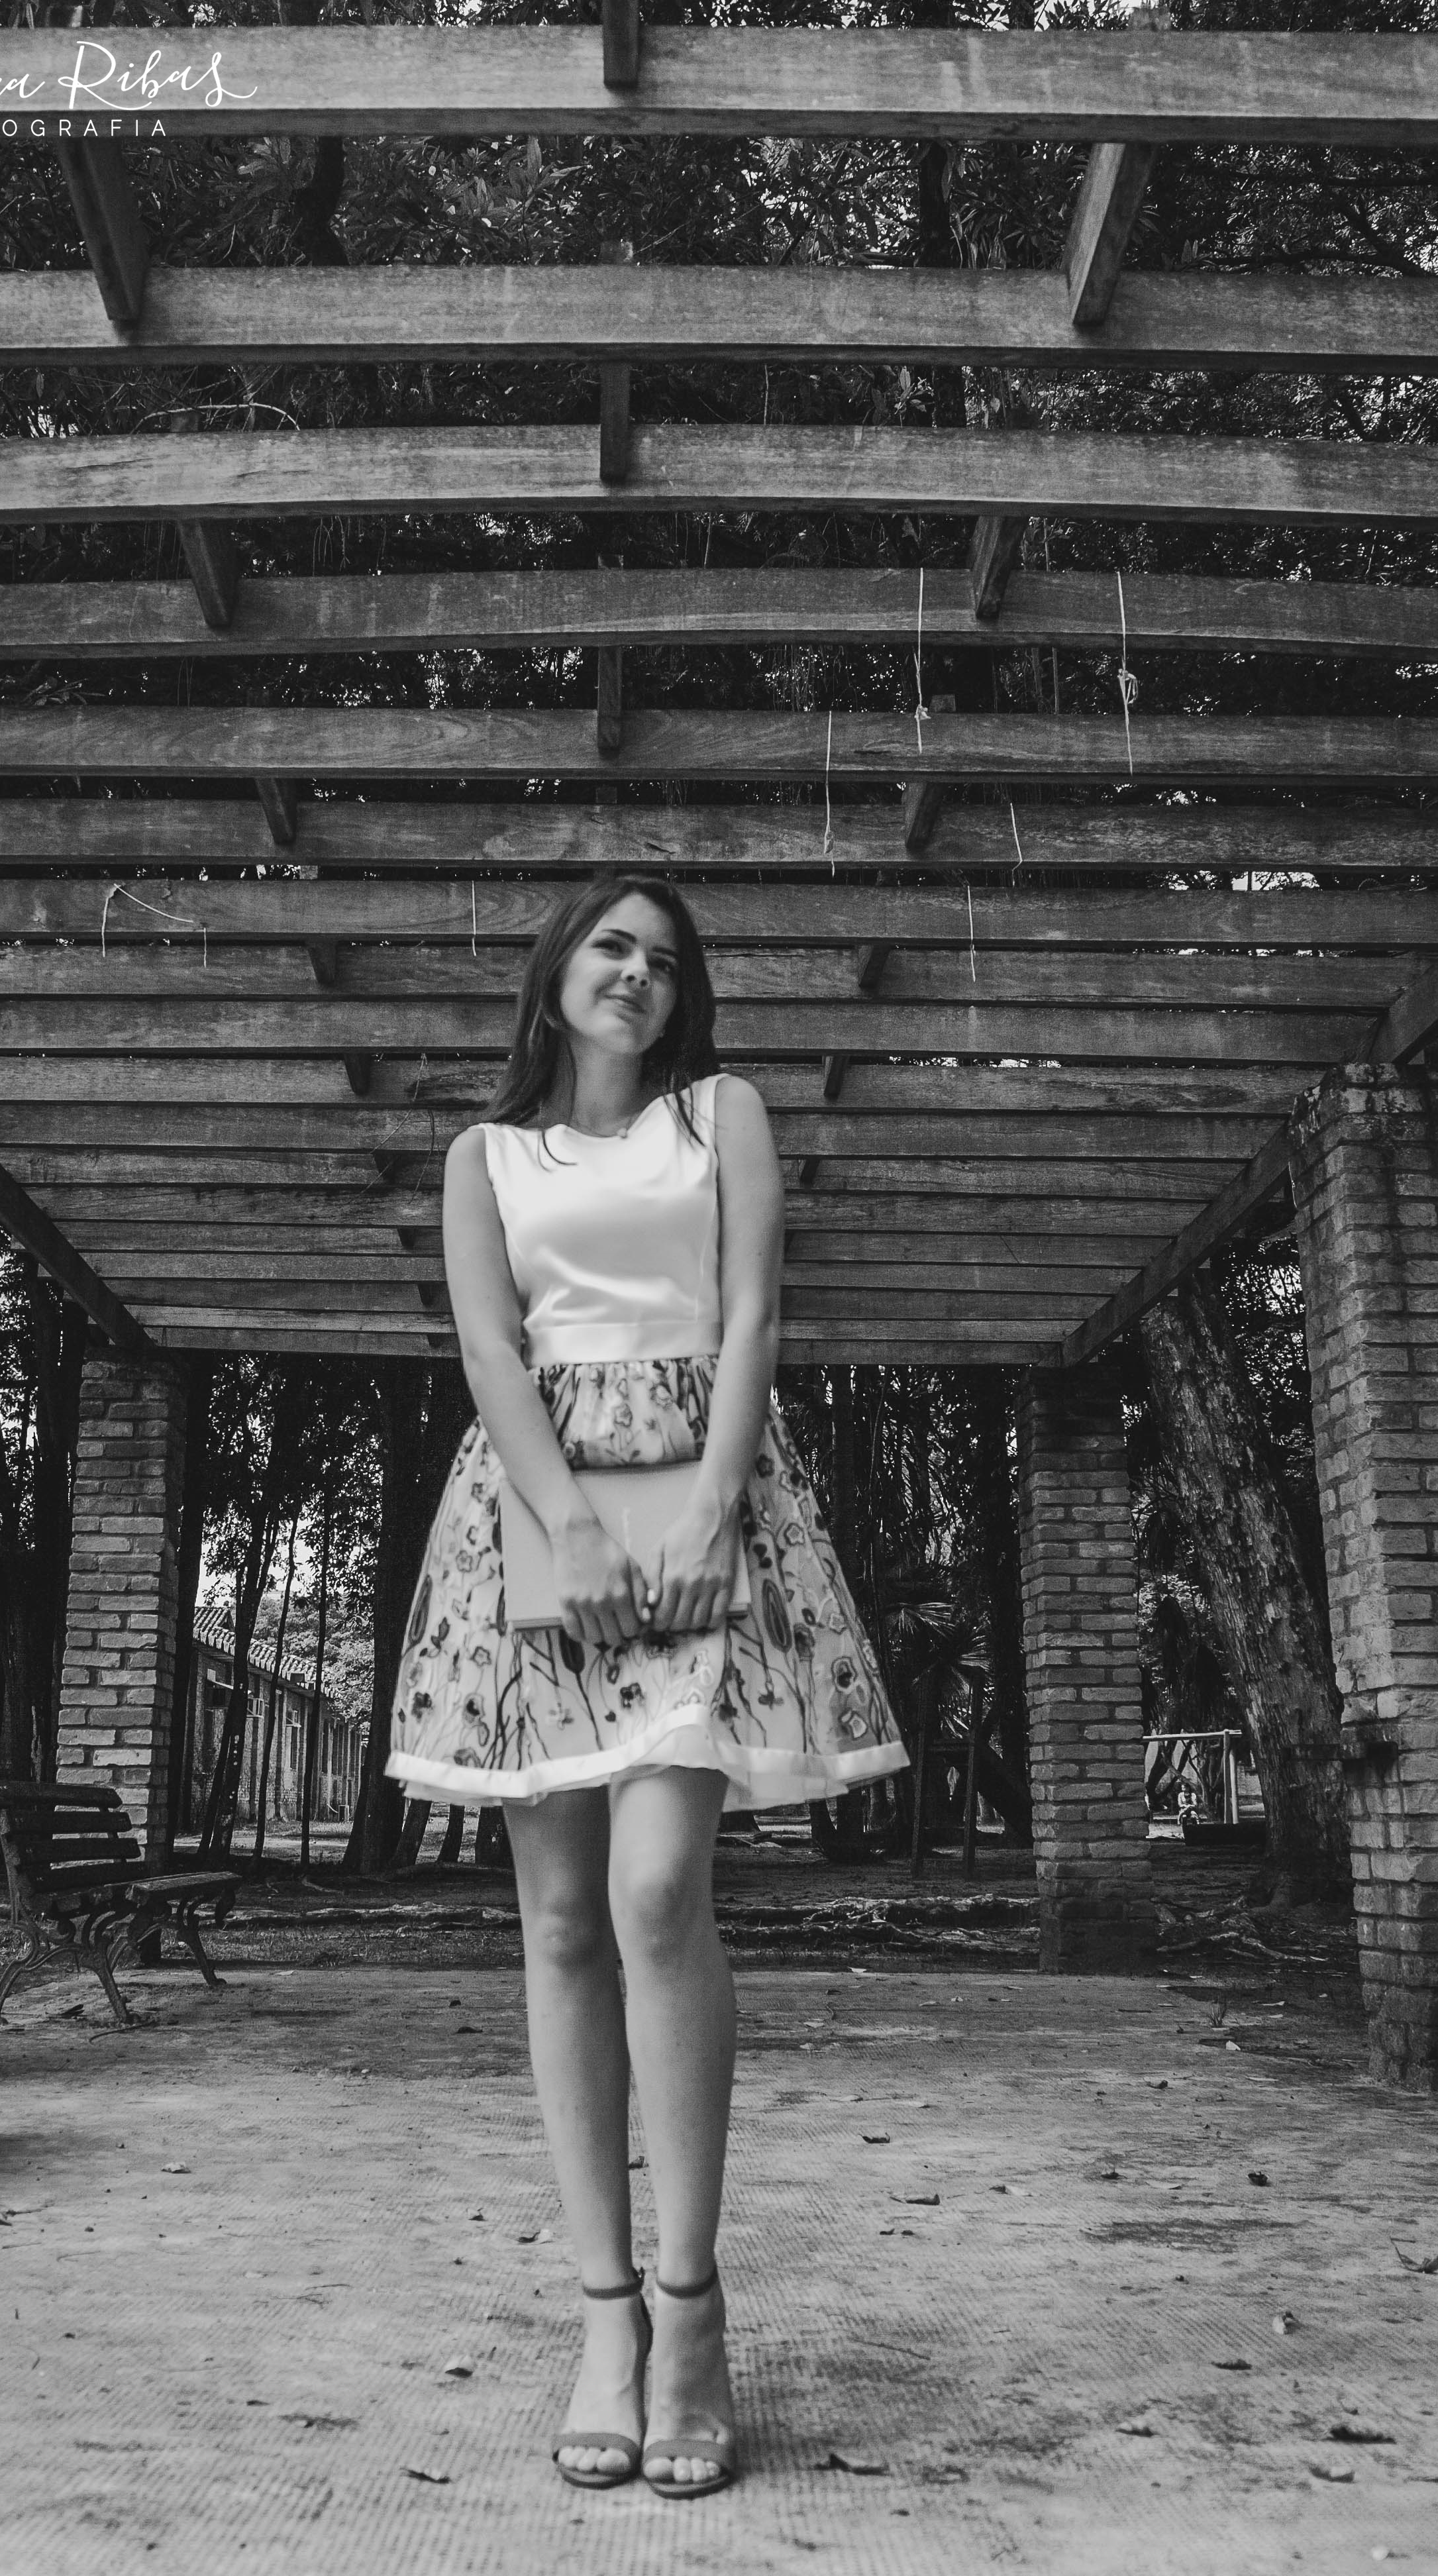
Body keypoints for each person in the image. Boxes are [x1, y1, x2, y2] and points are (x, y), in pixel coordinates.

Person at [389, 875, 908, 2498]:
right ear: (555, 972)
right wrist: (565, 1524)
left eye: (665, 961)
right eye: (612, 947)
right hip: (533, 1525)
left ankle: (692, 2307)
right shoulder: (486, 1157)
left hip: (701, 1510)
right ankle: (603, 2317)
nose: (638, 975)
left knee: (659, 1888)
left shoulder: (720, 1116)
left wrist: (708, 1513)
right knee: (558, 1923)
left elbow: (751, 1312)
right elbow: (492, 1349)